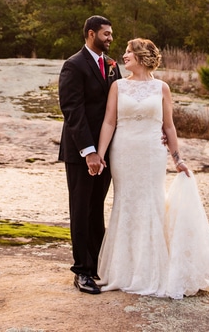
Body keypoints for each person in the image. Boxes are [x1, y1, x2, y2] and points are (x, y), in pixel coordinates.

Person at [96, 38, 209, 299]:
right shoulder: (117, 86)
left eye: (129, 52)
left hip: (152, 153)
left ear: (142, 56)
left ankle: (152, 270)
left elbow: (169, 126)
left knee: (151, 202)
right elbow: (109, 122)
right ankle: (124, 271)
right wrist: (100, 153)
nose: (124, 55)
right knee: (126, 202)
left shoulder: (162, 88)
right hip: (123, 151)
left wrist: (177, 159)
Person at [58, 15, 122, 294]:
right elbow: (72, 111)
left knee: (97, 208)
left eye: (111, 34)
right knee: (81, 209)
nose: (110, 38)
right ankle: (81, 272)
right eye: (106, 34)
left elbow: (119, 106)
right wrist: (90, 152)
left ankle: (97, 267)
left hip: (107, 151)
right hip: (81, 153)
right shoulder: (73, 65)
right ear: (91, 34)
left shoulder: (112, 66)